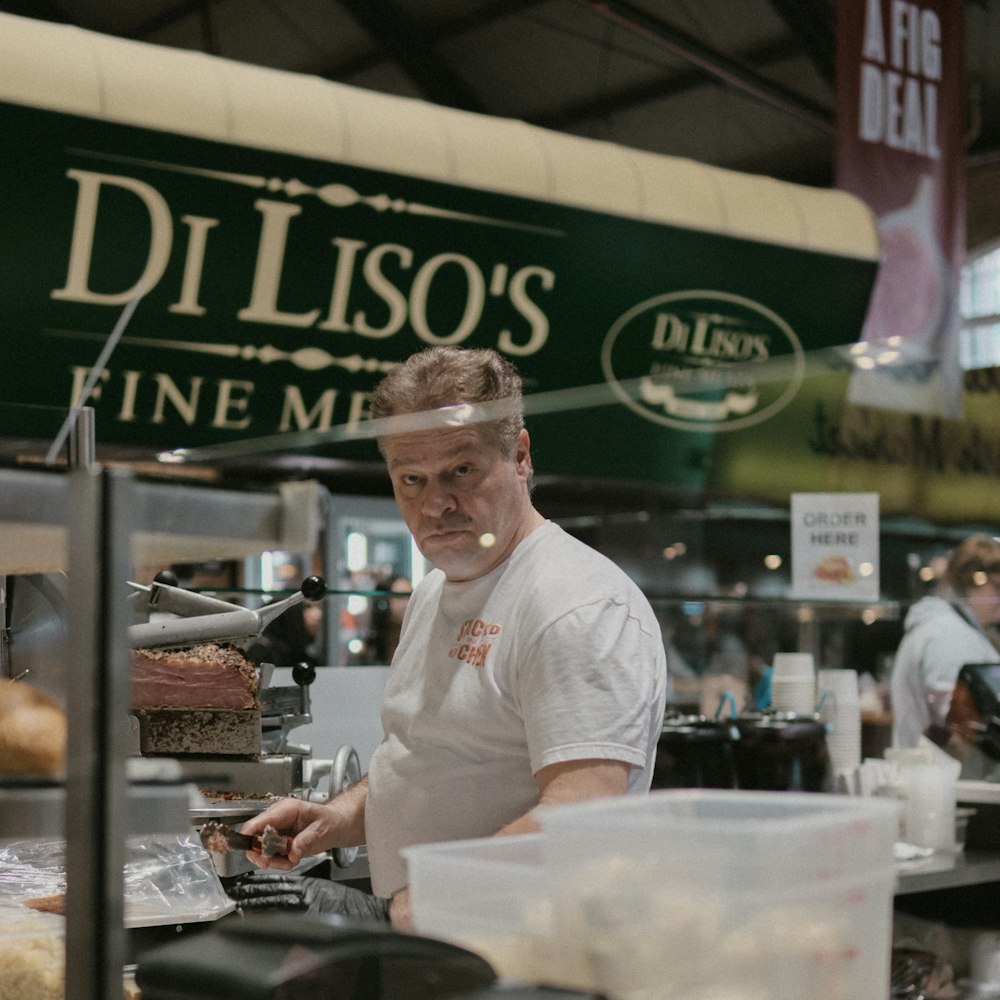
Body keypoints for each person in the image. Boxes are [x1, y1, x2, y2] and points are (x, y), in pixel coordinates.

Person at [230, 346, 668, 928]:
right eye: (411, 479)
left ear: (519, 456)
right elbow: (430, 759)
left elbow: (583, 817)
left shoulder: (578, 605)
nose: (435, 503)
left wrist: (384, 914)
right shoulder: (436, 592)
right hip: (436, 945)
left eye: (460, 471)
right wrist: (335, 818)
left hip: (527, 954)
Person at [890, 533, 1000, 749]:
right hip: (938, 778)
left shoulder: (958, 629)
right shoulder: (947, 634)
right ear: (970, 581)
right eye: (998, 587)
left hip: (945, 775)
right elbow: (954, 726)